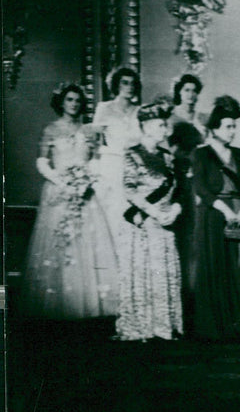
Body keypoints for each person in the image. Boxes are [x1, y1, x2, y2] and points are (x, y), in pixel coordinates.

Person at [20, 83, 118, 319]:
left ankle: (91, 303)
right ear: (61, 103)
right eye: (69, 100)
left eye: (77, 100)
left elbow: (95, 159)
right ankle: (62, 304)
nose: (74, 104)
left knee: (88, 242)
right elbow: (42, 162)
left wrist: (86, 181)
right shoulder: (51, 129)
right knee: (62, 243)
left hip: (85, 192)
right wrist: (61, 181)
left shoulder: (89, 130)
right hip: (59, 191)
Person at [114, 101, 183, 341]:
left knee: (164, 274)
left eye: (166, 124)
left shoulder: (168, 156)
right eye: (161, 125)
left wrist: (175, 209)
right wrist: (153, 213)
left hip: (166, 224)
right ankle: (142, 326)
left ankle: (164, 326)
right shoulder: (132, 153)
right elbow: (129, 190)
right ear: (146, 126)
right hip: (143, 224)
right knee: (145, 274)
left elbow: (178, 188)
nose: (166, 130)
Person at [192, 96, 240, 340]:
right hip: (213, 216)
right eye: (228, 126)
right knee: (217, 268)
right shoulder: (202, 155)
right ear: (215, 128)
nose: (232, 131)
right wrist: (227, 211)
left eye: (234, 126)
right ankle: (218, 326)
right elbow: (201, 189)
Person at [167, 74, 206, 322]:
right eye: (186, 90)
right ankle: (181, 291)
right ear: (179, 92)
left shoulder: (202, 118)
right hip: (180, 178)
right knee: (183, 233)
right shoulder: (171, 117)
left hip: (198, 178)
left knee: (197, 233)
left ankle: (197, 288)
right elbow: (169, 151)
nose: (190, 94)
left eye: (194, 90)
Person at [92, 67, 143, 239]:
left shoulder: (140, 110)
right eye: (125, 83)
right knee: (113, 212)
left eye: (133, 83)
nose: (129, 87)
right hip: (112, 167)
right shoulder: (104, 108)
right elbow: (95, 141)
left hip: (135, 167)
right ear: (116, 85)